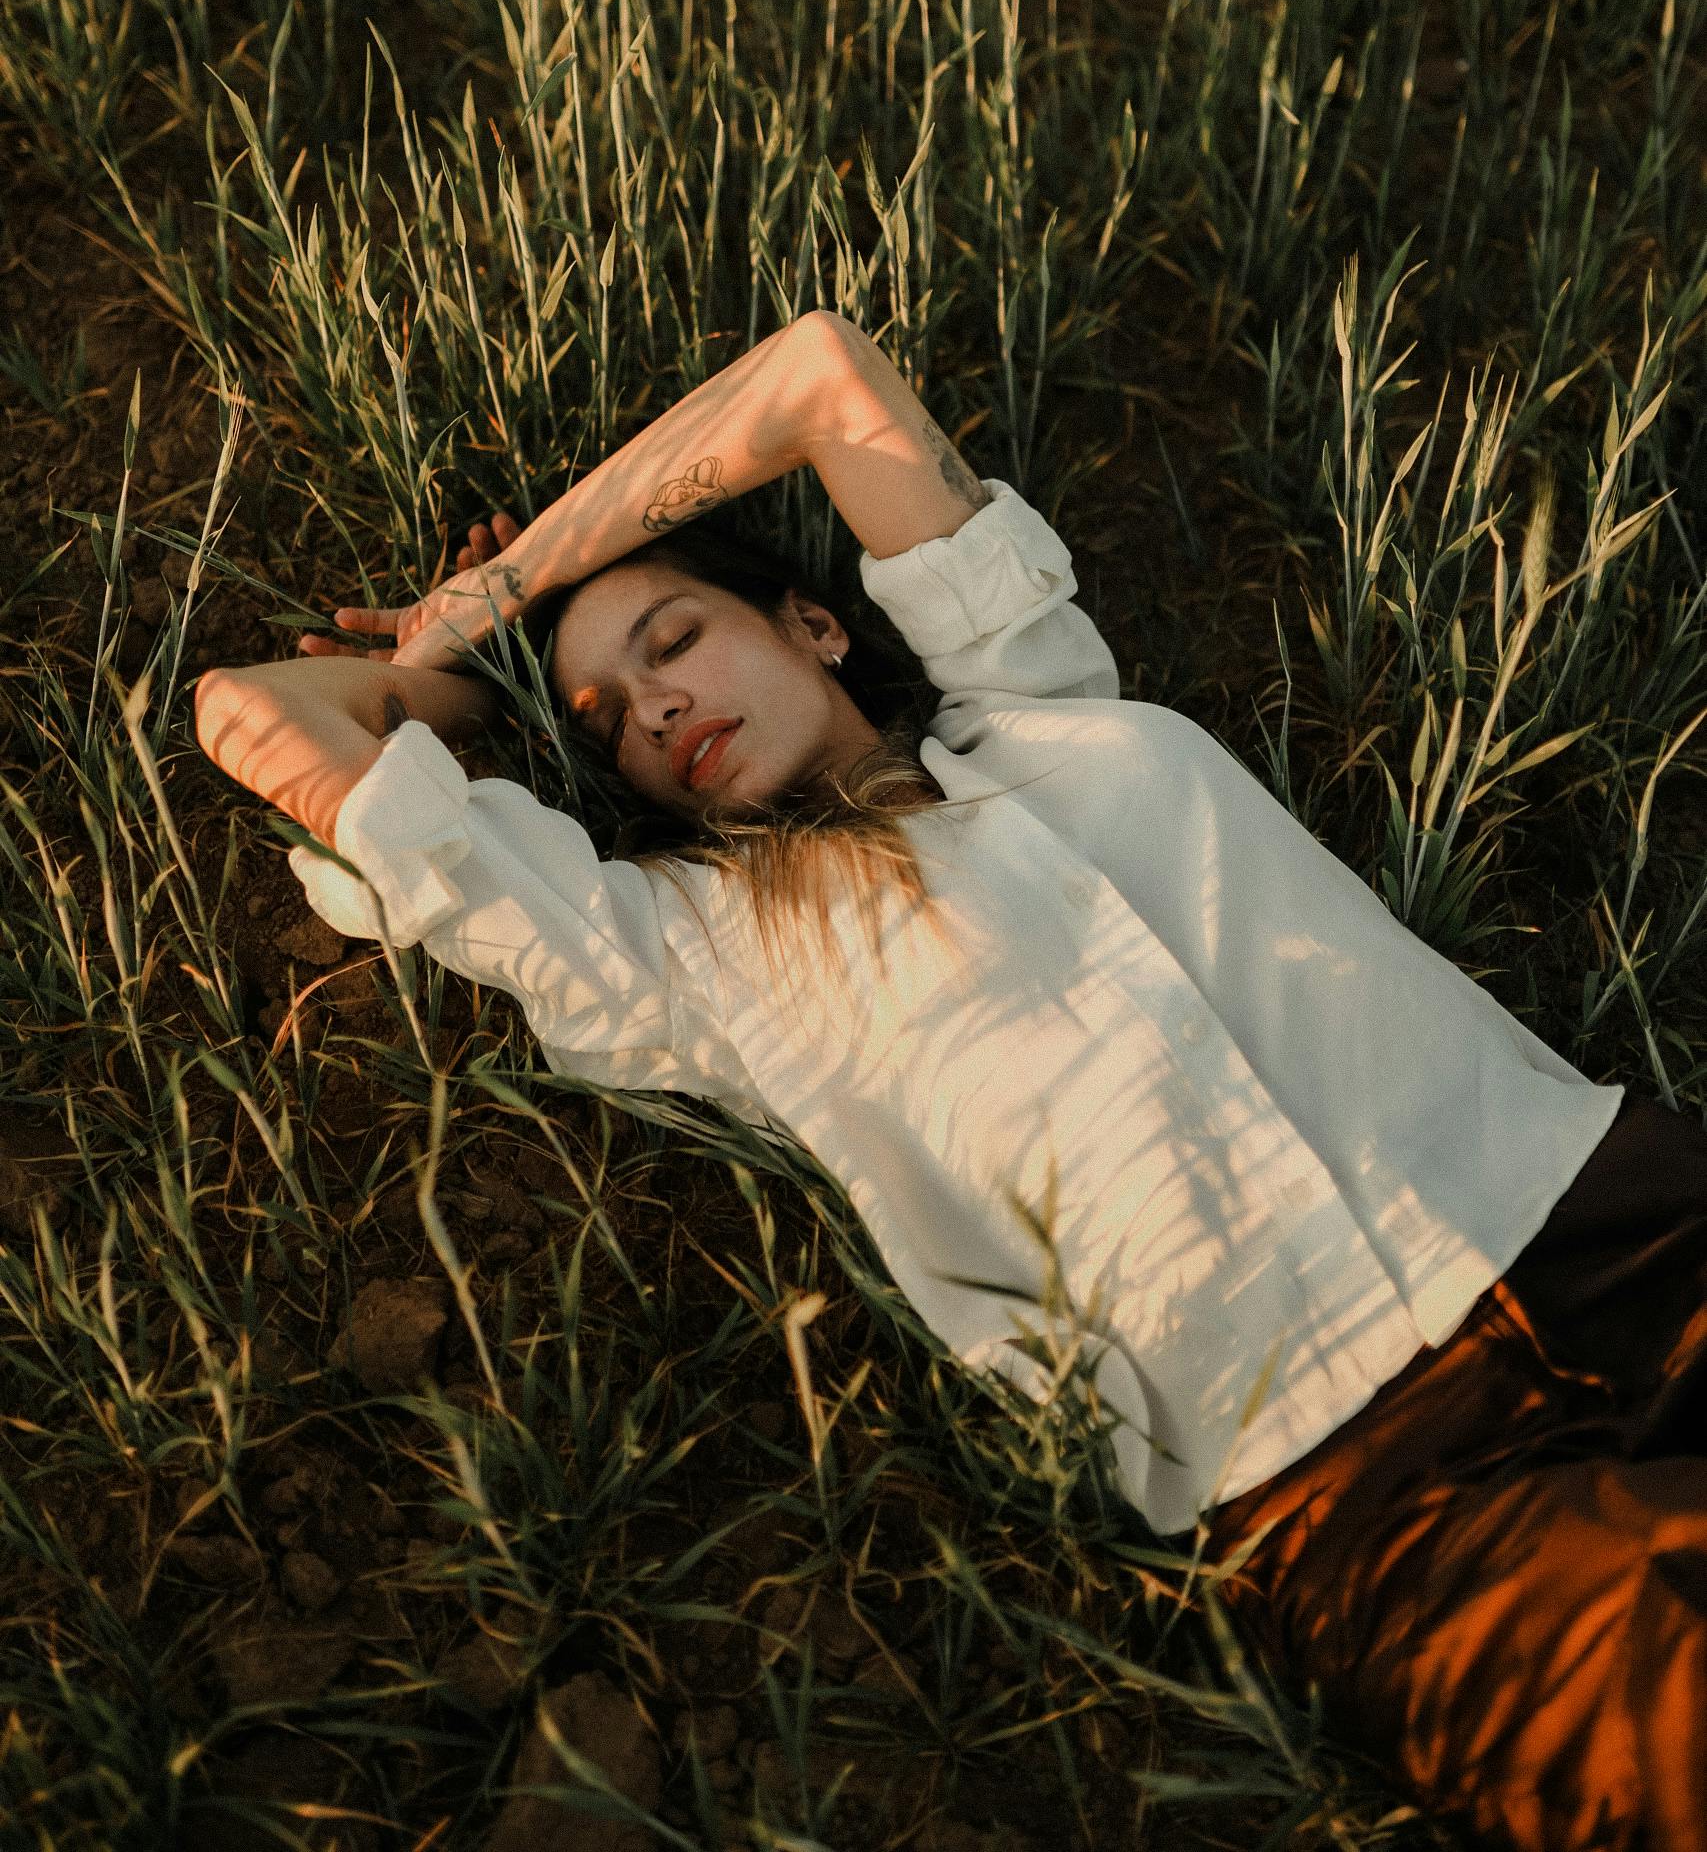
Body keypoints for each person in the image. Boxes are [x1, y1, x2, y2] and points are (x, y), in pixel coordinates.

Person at [195, 308, 1707, 1851]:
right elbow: (255, 712)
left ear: (816, 623)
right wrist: (474, 683)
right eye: (608, 725)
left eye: (675, 641)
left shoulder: (1041, 694)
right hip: (1360, 1488)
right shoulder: (686, 960)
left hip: (1611, 1220)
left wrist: (517, 580)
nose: (652, 705)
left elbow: (818, 378)